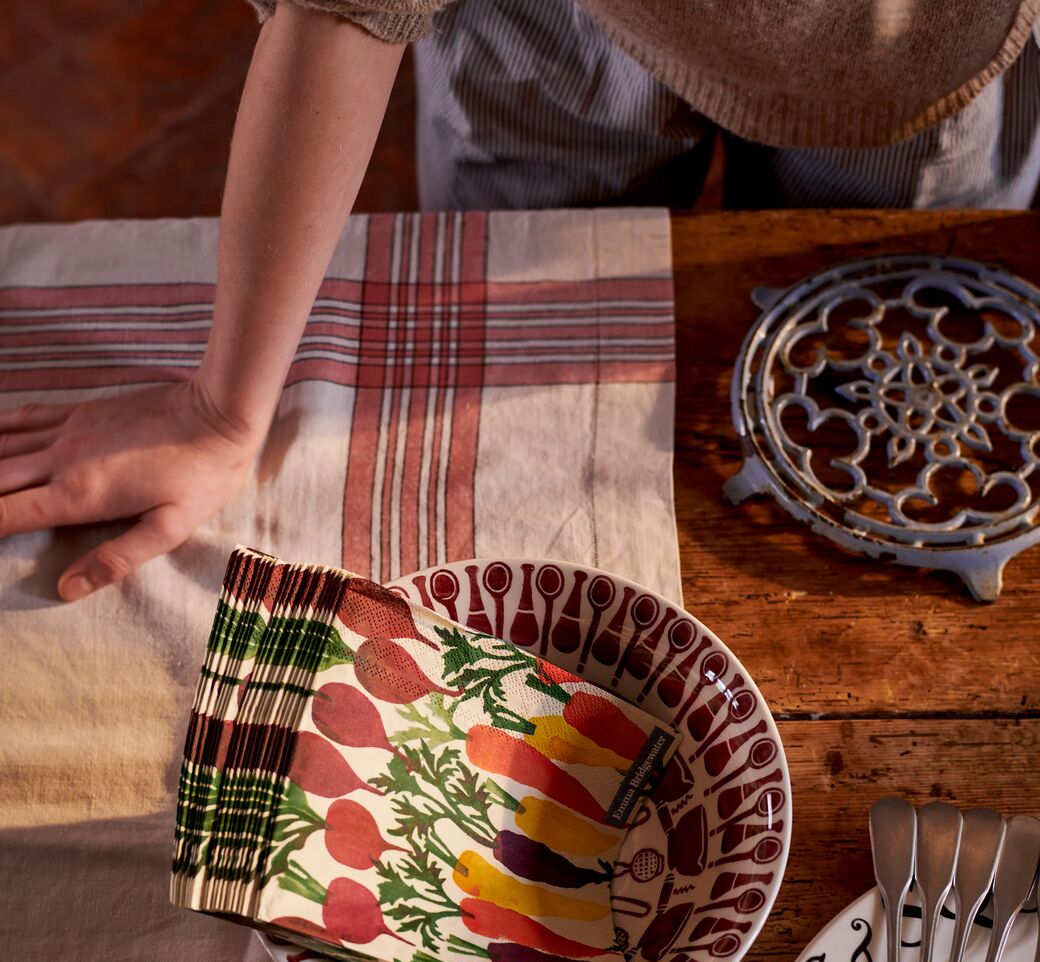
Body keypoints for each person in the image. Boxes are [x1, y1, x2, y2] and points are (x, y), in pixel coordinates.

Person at [1, 0, 1037, 601]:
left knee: (894, 337)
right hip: (544, 24)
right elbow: (345, 10)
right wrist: (224, 408)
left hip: (898, 44)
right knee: (511, 296)